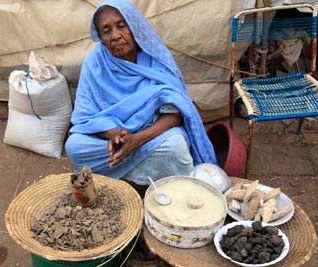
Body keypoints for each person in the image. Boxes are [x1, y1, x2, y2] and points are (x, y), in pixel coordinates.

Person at [65, 0, 217, 191]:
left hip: (152, 134)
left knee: (176, 146)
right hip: (113, 138)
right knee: (74, 146)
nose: (116, 36)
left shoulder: (156, 58)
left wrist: (137, 140)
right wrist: (115, 136)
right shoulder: (94, 64)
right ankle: (128, 171)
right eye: (107, 31)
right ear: (101, 38)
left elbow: (174, 115)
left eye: (121, 26)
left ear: (134, 26)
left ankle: (134, 173)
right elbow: (85, 118)